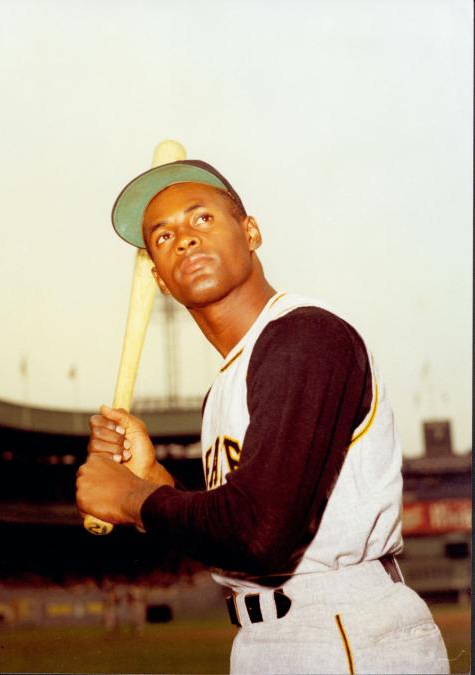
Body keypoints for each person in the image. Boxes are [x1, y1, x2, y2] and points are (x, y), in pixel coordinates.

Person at [76, 159, 450, 674]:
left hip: (343, 631)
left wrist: (132, 498)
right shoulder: (225, 387)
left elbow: (262, 533)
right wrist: (155, 480)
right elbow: (232, 533)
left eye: (201, 219)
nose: (183, 239)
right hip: (266, 639)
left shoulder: (305, 337)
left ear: (251, 232)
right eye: (163, 237)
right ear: (159, 280)